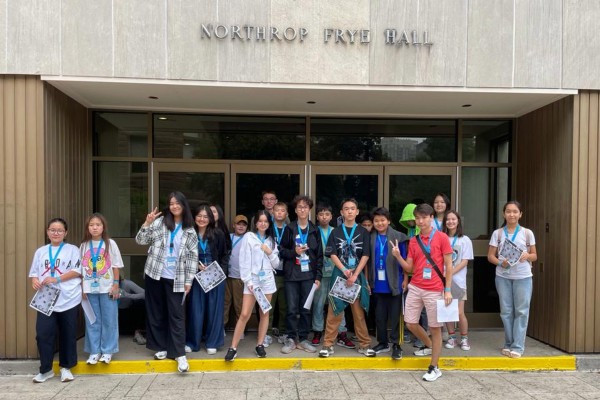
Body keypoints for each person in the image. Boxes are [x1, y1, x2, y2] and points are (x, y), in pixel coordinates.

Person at [135, 191, 197, 373]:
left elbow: (193, 257)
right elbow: (140, 240)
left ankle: (179, 354)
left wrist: (189, 281)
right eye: (171, 203)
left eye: (177, 203)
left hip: (176, 278)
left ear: (183, 205)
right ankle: (160, 347)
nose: (174, 206)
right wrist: (147, 222)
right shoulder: (160, 223)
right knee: (156, 312)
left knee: (177, 315)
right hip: (155, 274)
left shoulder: (190, 230)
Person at [392, 203, 453, 382]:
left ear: (431, 218)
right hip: (416, 286)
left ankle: (434, 367)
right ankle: (430, 346)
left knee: (435, 328)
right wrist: (397, 256)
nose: (420, 221)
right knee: (410, 322)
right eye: (418, 218)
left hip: (435, 289)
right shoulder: (413, 240)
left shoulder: (442, 238)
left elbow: (449, 265)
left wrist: (447, 289)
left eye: (424, 217)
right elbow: (409, 268)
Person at [319, 198, 375, 358]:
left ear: (357, 212)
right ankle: (328, 345)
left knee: (358, 313)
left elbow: (366, 255)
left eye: (352, 208)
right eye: (346, 209)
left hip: (356, 276)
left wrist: (355, 274)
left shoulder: (363, 232)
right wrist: (344, 270)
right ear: (342, 212)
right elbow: (332, 253)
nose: (349, 211)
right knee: (334, 311)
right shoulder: (335, 232)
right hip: (340, 275)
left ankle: (364, 344)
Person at [29, 218, 82, 383]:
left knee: (68, 333)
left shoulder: (73, 249)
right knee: (43, 334)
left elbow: (77, 271)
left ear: (65, 233)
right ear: (47, 232)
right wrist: (35, 281)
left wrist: (56, 279)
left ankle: (66, 368)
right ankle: (45, 370)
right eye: (52, 230)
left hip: (69, 297)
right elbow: (34, 273)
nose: (56, 233)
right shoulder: (41, 251)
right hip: (46, 298)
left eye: (59, 230)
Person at [225, 210, 280, 361]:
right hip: (252, 281)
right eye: (260, 221)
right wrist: (248, 282)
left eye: (266, 221)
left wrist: (270, 252)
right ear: (255, 223)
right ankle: (233, 347)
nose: (263, 223)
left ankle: (260, 345)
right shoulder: (249, 237)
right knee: (244, 314)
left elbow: (276, 263)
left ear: (269, 224)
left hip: (267, 280)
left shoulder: (271, 240)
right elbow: (244, 261)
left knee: (265, 313)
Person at [487, 201, 537, 358]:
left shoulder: (527, 233)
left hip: (523, 277)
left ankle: (518, 346)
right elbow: (490, 256)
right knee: (506, 311)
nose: (512, 214)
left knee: (521, 311)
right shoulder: (498, 234)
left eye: (515, 211)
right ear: (504, 214)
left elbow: (535, 256)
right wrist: (501, 263)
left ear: (520, 214)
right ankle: (508, 343)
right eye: (508, 211)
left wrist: (527, 256)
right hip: (503, 277)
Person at [278, 195, 323, 354]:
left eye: (305, 207)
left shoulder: (315, 230)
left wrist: (318, 277)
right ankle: (291, 338)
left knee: (306, 309)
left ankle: (303, 338)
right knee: (291, 309)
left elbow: (319, 256)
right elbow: (281, 251)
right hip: (291, 275)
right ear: (295, 210)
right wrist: (293, 252)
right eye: (299, 207)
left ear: (309, 210)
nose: (302, 209)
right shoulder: (289, 228)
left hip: (308, 276)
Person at [80, 213, 124, 365]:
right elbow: (80, 269)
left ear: (103, 227)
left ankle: (107, 351)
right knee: (92, 320)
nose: (95, 227)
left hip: (107, 288)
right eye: (91, 225)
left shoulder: (110, 244)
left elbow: (116, 265)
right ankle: (94, 351)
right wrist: (82, 288)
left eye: (98, 224)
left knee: (109, 320)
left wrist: (116, 284)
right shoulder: (84, 245)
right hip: (89, 288)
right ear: (88, 228)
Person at [186, 204, 230, 355]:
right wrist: (195, 266)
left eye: (205, 216)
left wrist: (219, 271)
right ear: (194, 217)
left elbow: (225, 255)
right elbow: (184, 255)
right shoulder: (189, 233)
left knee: (214, 310)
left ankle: (213, 342)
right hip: (196, 276)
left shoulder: (218, 234)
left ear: (210, 219)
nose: (202, 219)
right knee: (195, 310)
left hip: (215, 277)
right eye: (199, 216)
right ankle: (193, 342)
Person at [368, 207, 408, 360]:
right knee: (379, 316)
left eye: (382, 220)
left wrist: (405, 279)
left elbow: (405, 261)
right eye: (376, 221)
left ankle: (397, 345)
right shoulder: (371, 237)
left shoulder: (399, 237)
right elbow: (368, 260)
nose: (379, 223)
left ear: (389, 221)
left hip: (395, 283)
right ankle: (382, 342)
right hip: (377, 283)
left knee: (395, 316)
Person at [311, 203, 353, 347]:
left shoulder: (337, 231)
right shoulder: (313, 231)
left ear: (332, 216)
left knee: (338, 303)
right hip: (320, 273)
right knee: (318, 303)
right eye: (321, 214)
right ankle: (317, 330)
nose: (324, 217)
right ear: (317, 216)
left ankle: (341, 332)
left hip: (337, 271)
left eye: (327, 214)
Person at [442, 210, 473, 351]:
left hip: (459, 282)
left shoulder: (465, 240)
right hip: (443, 281)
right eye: (448, 219)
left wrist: (449, 273)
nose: (450, 222)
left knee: (460, 312)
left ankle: (464, 338)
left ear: (458, 221)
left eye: (453, 219)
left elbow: (464, 261)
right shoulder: (441, 238)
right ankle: (452, 337)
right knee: (448, 311)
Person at [224, 215, 248, 332]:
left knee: (239, 305)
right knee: (225, 303)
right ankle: (222, 327)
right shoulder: (228, 237)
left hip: (239, 277)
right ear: (234, 225)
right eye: (239, 224)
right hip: (226, 276)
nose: (241, 227)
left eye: (244, 225)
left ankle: (241, 329)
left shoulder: (248, 239)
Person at [268, 202, 289, 342]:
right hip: (270, 272)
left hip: (286, 272)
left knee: (284, 306)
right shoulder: (268, 229)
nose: (280, 213)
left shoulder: (290, 229)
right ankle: (267, 333)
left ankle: (282, 332)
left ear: (286, 214)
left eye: (283, 211)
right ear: (272, 213)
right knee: (269, 305)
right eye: (277, 210)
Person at [118, 276, 146, 345]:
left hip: (127, 311)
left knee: (140, 303)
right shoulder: (105, 286)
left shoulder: (127, 283)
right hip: (113, 314)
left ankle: (138, 331)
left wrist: (127, 295)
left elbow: (146, 294)